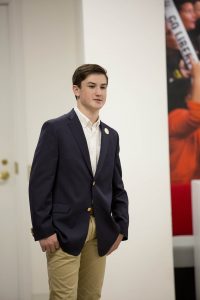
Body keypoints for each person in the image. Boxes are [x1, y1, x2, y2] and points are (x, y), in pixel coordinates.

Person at [29, 64, 129, 300]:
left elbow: (117, 185)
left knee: (91, 296)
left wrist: (121, 227)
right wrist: (44, 229)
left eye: (103, 87)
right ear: (76, 90)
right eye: (92, 86)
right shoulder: (55, 129)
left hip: (100, 230)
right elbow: (39, 184)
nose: (99, 93)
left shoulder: (110, 135)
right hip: (63, 229)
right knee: (64, 297)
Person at [169, 59, 200, 183]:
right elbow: (196, 115)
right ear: (188, 97)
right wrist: (197, 77)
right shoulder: (175, 117)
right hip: (178, 190)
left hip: (194, 190)